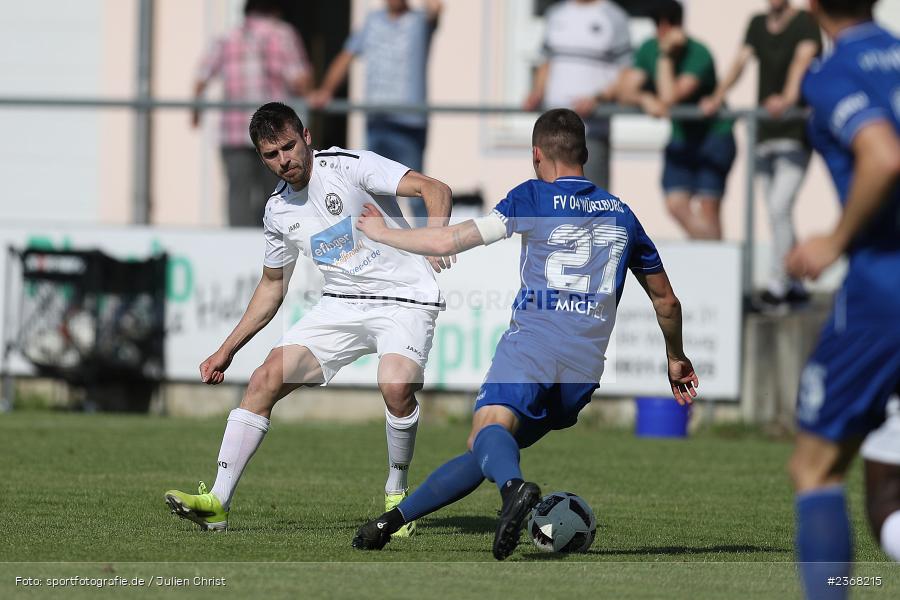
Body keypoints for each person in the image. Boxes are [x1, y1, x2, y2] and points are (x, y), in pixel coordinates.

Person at [350, 108, 698, 560]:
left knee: (491, 434)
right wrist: (675, 356)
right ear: (585, 155)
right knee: (488, 447)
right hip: (583, 371)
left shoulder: (533, 196)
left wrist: (381, 232)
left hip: (534, 346)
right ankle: (390, 522)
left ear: (537, 156)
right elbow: (666, 302)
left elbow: (446, 241)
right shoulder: (623, 215)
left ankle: (514, 490)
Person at [164, 102, 454, 538]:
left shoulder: (350, 166)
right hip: (340, 304)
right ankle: (217, 504)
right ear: (261, 158)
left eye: (288, 146)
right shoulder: (278, 210)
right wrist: (226, 350)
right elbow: (271, 287)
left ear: (306, 137)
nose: (284, 160)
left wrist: (434, 235)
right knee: (263, 380)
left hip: (404, 298)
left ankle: (397, 493)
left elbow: (435, 188)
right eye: (271, 155)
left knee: (395, 386)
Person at [784, 0, 900, 597]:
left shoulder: (832, 73)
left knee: (815, 467)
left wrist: (834, 238)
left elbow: (882, 154)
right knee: (887, 495)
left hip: (885, 289)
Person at [701, 0, 821, 312]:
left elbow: (802, 60)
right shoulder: (757, 23)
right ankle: (795, 285)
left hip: (795, 131)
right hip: (764, 131)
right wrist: (718, 95)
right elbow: (740, 61)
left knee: (780, 206)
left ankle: (777, 285)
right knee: (775, 211)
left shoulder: (804, 22)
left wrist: (788, 98)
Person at [308, 0, 443, 226]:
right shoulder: (372, 21)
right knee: (373, 190)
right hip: (377, 122)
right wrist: (325, 90)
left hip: (409, 123)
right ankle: (380, 243)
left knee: (418, 190)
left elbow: (436, 8)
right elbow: (346, 56)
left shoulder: (420, 21)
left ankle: (429, 246)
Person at [619, 0, 736, 240]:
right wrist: (644, 98)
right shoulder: (648, 48)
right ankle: (714, 251)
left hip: (714, 136)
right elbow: (624, 90)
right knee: (675, 202)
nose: (661, 30)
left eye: (666, 23)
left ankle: (716, 261)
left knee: (708, 207)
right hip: (681, 137)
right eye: (657, 23)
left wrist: (665, 55)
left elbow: (670, 96)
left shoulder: (698, 53)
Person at [193, 0, 313, 227]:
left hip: (233, 131)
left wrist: (195, 111)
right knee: (279, 191)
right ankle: (276, 244)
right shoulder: (282, 34)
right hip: (274, 134)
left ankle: (239, 249)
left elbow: (202, 76)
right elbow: (299, 80)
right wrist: (313, 95)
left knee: (238, 192)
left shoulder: (227, 37)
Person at [523, 0, 632, 191]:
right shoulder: (556, 13)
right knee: (547, 205)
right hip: (551, 135)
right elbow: (546, 61)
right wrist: (536, 92)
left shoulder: (614, 16)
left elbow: (626, 73)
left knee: (591, 208)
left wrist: (597, 99)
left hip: (590, 133)